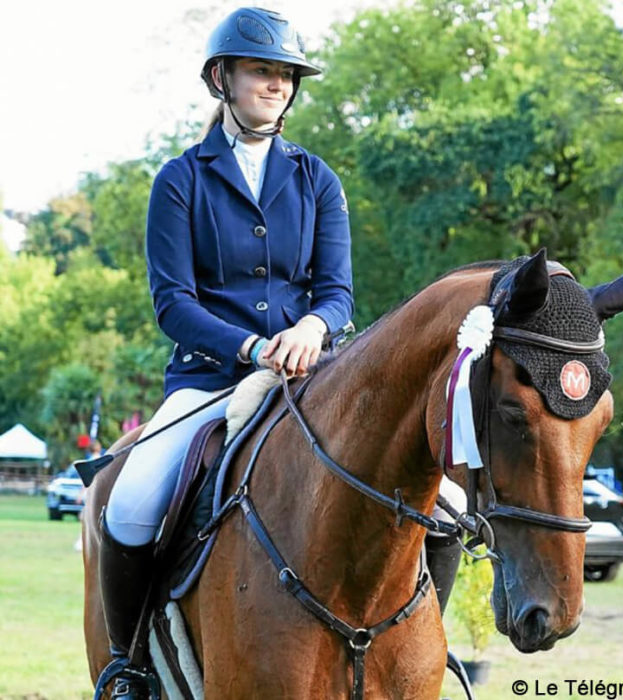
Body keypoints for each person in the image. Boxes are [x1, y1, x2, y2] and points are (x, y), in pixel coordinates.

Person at [97, 8, 354, 697]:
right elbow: (172, 303)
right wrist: (250, 344)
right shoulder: (180, 180)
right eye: (262, 71)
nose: (277, 85)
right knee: (130, 502)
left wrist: (314, 330)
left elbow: (337, 292)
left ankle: (411, 648)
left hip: (308, 379)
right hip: (208, 380)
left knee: (442, 501)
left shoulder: (317, 179)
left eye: (286, 75)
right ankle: (127, 664)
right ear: (223, 78)